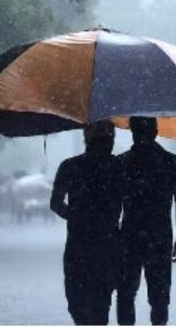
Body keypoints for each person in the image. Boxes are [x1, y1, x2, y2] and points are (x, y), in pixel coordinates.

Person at [50, 121, 123, 325]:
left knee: (83, 303)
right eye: (106, 138)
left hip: (84, 246)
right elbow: (55, 203)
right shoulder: (117, 168)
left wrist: (78, 217)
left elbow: (56, 204)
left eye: (109, 138)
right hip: (102, 246)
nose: (108, 143)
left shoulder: (71, 167)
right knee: (96, 304)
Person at [117, 116, 176, 326]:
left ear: (132, 132)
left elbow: (112, 205)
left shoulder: (122, 162)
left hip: (129, 237)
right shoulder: (170, 162)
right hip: (160, 237)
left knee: (126, 293)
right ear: (156, 132)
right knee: (159, 297)